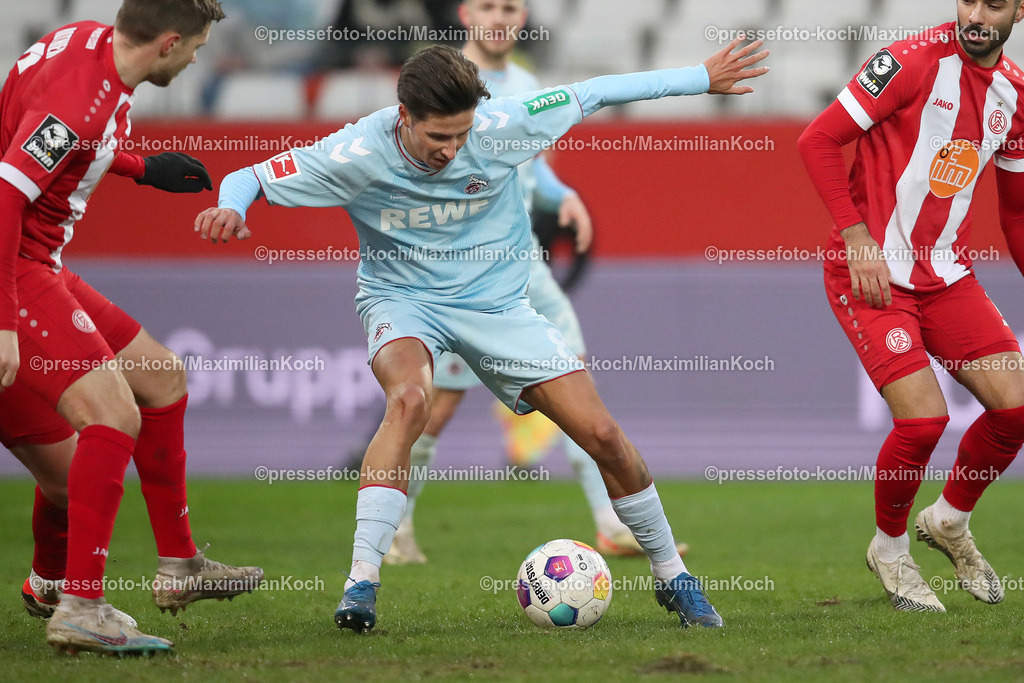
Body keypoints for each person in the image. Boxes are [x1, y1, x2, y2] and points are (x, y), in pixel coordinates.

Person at [197, 39, 769, 632]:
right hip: (404, 300)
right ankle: (361, 583)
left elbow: (596, 91)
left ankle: (674, 577)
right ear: (404, 118)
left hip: (497, 306)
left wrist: (699, 76)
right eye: (438, 137)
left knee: (602, 434)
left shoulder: (504, 124)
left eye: (461, 135)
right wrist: (231, 206)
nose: (452, 150)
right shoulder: (356, 150)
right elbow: (250, 175)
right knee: (411, 401)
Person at [384, 0, 687, 566]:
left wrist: (562, 195)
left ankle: (610, 523)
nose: (501, 18)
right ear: (467, 14)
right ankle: (396, 530)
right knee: (435, 407)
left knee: (576, 384)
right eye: (489, 6)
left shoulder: (523, 79)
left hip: (527, 265)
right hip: (467, 275)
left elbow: (532, 166)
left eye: (512, 7)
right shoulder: (442, 85)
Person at [0, 0, 261, 655]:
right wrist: (4, 323)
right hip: (16, 264)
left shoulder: (87, 44)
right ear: (169, 42)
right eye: (198, 47)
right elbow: (6, 195)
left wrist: (142, 169)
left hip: (41, 261)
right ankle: (80, 605)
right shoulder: (84, 98)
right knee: (114, 415)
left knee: (161, 377)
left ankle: (176, 566)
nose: (198, 57)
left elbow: (56, 140)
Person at [799, 0, 1024, 612]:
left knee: (1016, 409)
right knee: (923, 422)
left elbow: (1016, 212)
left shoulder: (1014, 95)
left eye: (995, 3)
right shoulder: (906, 61)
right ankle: (890, 549)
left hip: (946, 274)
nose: (977, 12)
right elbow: (818, 139)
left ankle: (950, 520)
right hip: (869, 273)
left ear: (1019, 11)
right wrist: (856, 235)